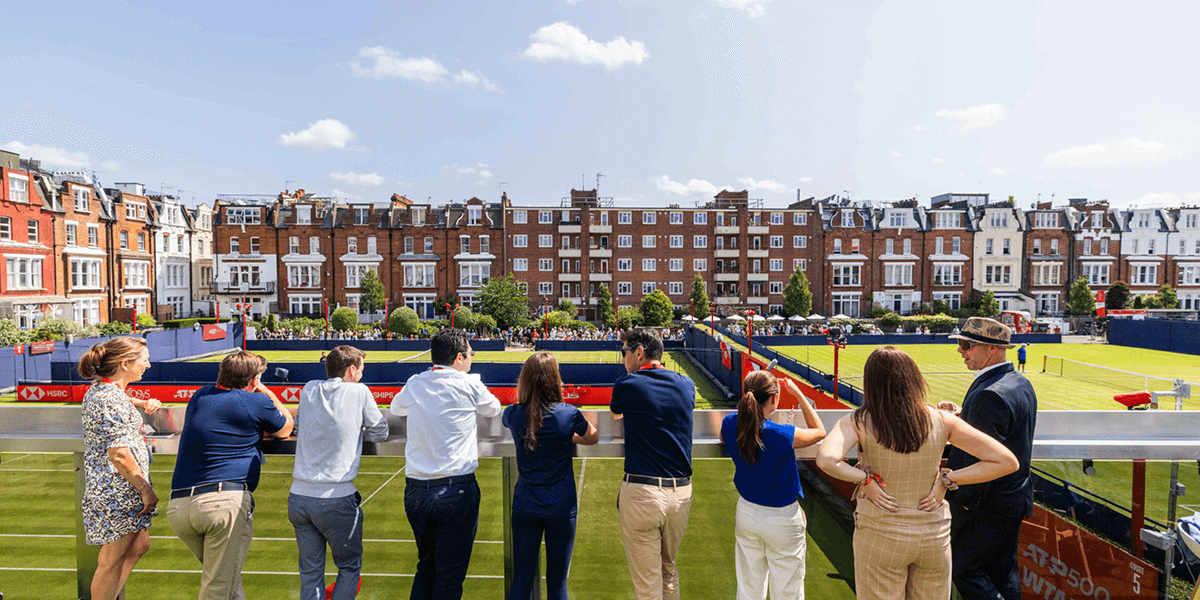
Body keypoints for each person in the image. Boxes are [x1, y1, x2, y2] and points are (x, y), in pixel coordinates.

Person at [817, 347, 1019, 600]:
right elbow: (1006, 461)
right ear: (912, 378)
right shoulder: (942, 420)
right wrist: (947, 480)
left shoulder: (857, 421)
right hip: (933, 534)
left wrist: (865, 479)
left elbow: (826, 459)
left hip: (880, 531)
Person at [168, 350, 294, 600]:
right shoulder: (255, 402)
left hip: (179, 508)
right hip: (222, 504)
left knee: (227, 581)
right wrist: (265, 391)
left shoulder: (200, 395)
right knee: (218, 589)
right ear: (253, 380)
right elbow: (285, 427)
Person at [390, 328, 502, 600]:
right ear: (460, 357)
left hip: (417, 491)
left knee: (426, 569)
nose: (472, 358)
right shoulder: (469, 384)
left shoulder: (416, 382)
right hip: (455, 491)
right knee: (449, 579)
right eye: (471, 353)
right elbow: (494, 409)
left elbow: (396, 409)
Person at [940, 318, 1038, 600]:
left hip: (986, 505)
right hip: (1014, 498)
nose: (961, 351)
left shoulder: (988, 393)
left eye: (967, 344)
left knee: (963, 569)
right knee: (1003, 571)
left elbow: (981, 458)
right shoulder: (1019, 382)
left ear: (993, 349)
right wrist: (962, 417)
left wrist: (961, 504)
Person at [289, 345, 389, 600]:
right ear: (351, 369)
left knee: (310, 573)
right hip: (336, 497)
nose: (362, 375)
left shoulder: (310, 388)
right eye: (361, 369)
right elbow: (380, 431)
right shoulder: (359, 391)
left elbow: (299, 426)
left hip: (299, 498)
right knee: (349, 566)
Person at [721, 371, 826, 600]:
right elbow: (819, 431)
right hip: (782, 520)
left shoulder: (730, 424)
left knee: (749, 589)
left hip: (747, 513)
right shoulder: (782, 435)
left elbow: (735, 434)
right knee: (788, 592)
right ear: (774, 399)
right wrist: (798, 394)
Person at [503, 352, 600, 600]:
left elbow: (512, 418)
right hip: (561, 507)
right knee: (558, 583)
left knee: (522, 580)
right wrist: (568, 437)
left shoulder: (514, 414)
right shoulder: (567, 414)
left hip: (525, 505)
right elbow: (593, 436)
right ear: (554, 380)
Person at [611, 327, 696, 600]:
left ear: (639, 352)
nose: (622, 360)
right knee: (668, 572)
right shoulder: (686, 384)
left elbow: (615, 415)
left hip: (642, 493)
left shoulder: (628, 384)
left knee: (648, 587)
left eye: (624, 353)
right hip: (680, 494)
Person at [79, 337, 163, 600]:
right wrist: (145, 488)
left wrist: (140, 403)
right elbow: (118, 454)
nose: (148, 365)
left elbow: (116, 401)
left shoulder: (104, 391)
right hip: (117, 491)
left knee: (139, 544)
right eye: (144, 360)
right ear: (125, 364)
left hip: (114, 489)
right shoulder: (110, 399)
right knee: (111, 560)